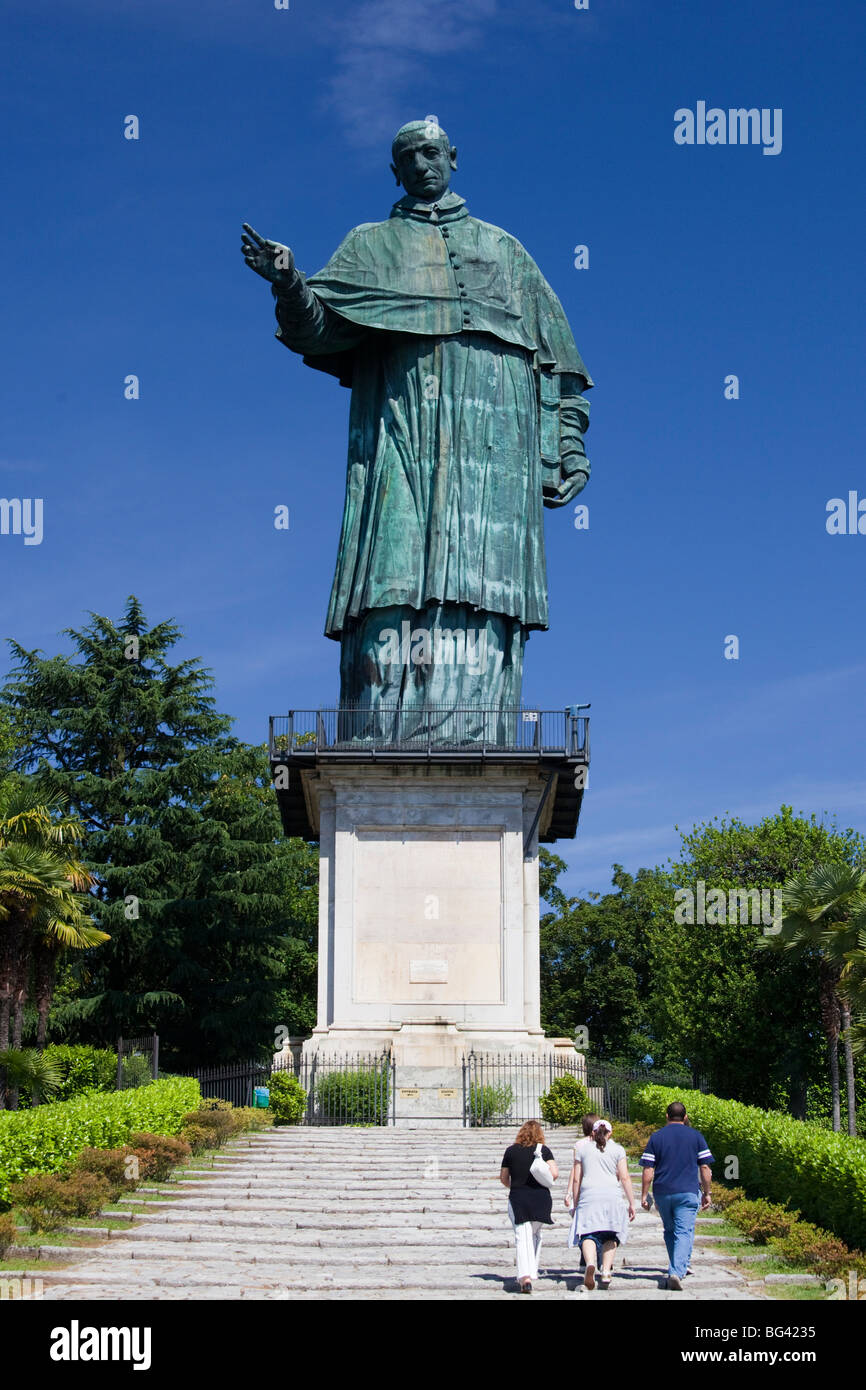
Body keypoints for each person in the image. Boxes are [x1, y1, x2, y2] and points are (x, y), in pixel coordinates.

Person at [241, 119, 593, 731]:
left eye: (432, 152)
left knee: (483, 585)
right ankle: (383, 730)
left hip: (494, 456)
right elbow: (318, 328)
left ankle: (478, 729)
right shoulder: (370, 246)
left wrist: (566, 448)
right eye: (408, 156)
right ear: (393, 171)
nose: (422, 163)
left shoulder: (508, 253)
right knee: (391, 573)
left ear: (454, 158)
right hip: (400, 437)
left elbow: (558, 366)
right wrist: (289, 283)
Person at [640, 1100, 715, 1290]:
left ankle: (680, 1265)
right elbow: (705, 1167)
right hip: (688, 1191)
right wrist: (707, 1192)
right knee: (684, 1232)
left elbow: (648, 1169)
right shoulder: (696, 1136)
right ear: (686, 1117)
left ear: (666, 1116)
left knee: (670, 1231)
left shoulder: (656, 1137)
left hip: (663, 1192)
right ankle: (676, 1271)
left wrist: (644, 1194)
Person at [568, 1119, 635, 1290]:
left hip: (589, 1195)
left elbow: (576, 1178)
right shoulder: (618, 1149)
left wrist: (575, 1203)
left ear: (593, 1132)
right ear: (610, 1133)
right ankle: (605, 1271)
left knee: (587, 1234)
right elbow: (625, 1177)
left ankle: (590, 1263)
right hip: (611, 1195)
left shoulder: (583, 1150)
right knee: (611, 1234)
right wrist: (632, 1202)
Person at [500, 1120, 558, 1293]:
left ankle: (525, 1277)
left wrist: (516, 1185)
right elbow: (554, 1174)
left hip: (519, 1199)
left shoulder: (510, 1151)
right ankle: (531, 1271)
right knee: (535, 1235)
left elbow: (503, 1178)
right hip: (541, 1200)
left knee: (522, 1236)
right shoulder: (544, 1151)